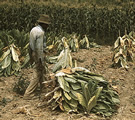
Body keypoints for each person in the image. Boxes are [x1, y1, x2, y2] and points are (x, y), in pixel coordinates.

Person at [23, 14, 51, 100]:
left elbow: (31, 45)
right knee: (37, 72)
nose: (47, 26)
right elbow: (39, 48)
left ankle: (43, 89)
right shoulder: (41, 32)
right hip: (39, 54)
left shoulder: (33, 29)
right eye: (46, 24)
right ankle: (28, 94)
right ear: (43, 24)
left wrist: (31, 56)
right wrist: (40, 60)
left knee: (42, 71)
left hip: (33, 53)